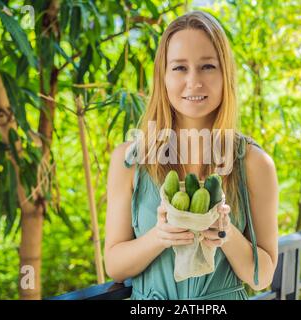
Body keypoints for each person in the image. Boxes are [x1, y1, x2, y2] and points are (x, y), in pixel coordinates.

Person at [104, 10, 278, 300]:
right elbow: (115, 267)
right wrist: (160, 236)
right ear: (163, 77)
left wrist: (225, 233)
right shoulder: (129, 161)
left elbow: (262, 277)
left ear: (225, 75)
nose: (194, 81)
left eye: (208, 66)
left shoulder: (253, 163)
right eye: (180, 68)